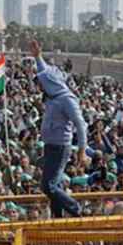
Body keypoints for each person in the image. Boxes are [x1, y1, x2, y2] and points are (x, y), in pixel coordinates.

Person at [29, 40, 87, 218]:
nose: (39, 85)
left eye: (41, 83)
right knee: (53, 184)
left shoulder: (66, 99)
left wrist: (82, 151)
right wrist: (38, 56)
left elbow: (81, 124)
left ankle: (76, 209)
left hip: (60, 147)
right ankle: (58, 216)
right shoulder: (53, 95)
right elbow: (45, 72)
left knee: (48, 186)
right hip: (50, 145)